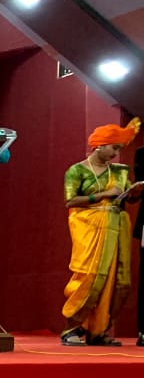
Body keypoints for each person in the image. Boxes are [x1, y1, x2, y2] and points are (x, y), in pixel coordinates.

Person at [61, 118, 143, 346]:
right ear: (100, 145)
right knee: (90, 277)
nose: (116, 153)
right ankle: (72, 328)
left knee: (119, 281)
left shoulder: (120, 171)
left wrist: (134, 193)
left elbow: (125, 199)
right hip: (88, 225)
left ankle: (98, 331)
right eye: (114, 148)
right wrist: (103, 195)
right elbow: (70, 201)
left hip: (116, 226)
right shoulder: (77, 171)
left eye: (119, 148)